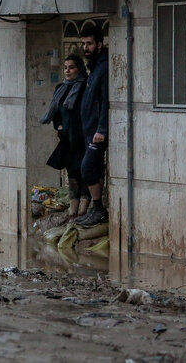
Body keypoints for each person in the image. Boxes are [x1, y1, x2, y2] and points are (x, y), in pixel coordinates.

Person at [40, 54, 91, 218]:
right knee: (72, 173)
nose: (68, 71)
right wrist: (59, 126)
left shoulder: (85, 86)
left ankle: (84, 208)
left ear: (79, 68)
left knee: (86, 172)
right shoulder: (60, 88)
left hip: (83, 137)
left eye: (72, 67)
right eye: (66, 67)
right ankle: (73, 208)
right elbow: (56, 112)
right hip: (67, 138)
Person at [74, 26, 109, 226]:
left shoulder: (103, 68)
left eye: (89, 43)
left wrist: (101, 129)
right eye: (83, 43)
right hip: (89, 130)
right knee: (94, 169)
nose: (85, 47)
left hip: (97, 131)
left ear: (99, 45)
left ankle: (98, 208)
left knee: (87, 168)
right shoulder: (94, 67)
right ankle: (96, 210)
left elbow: (105, 101)